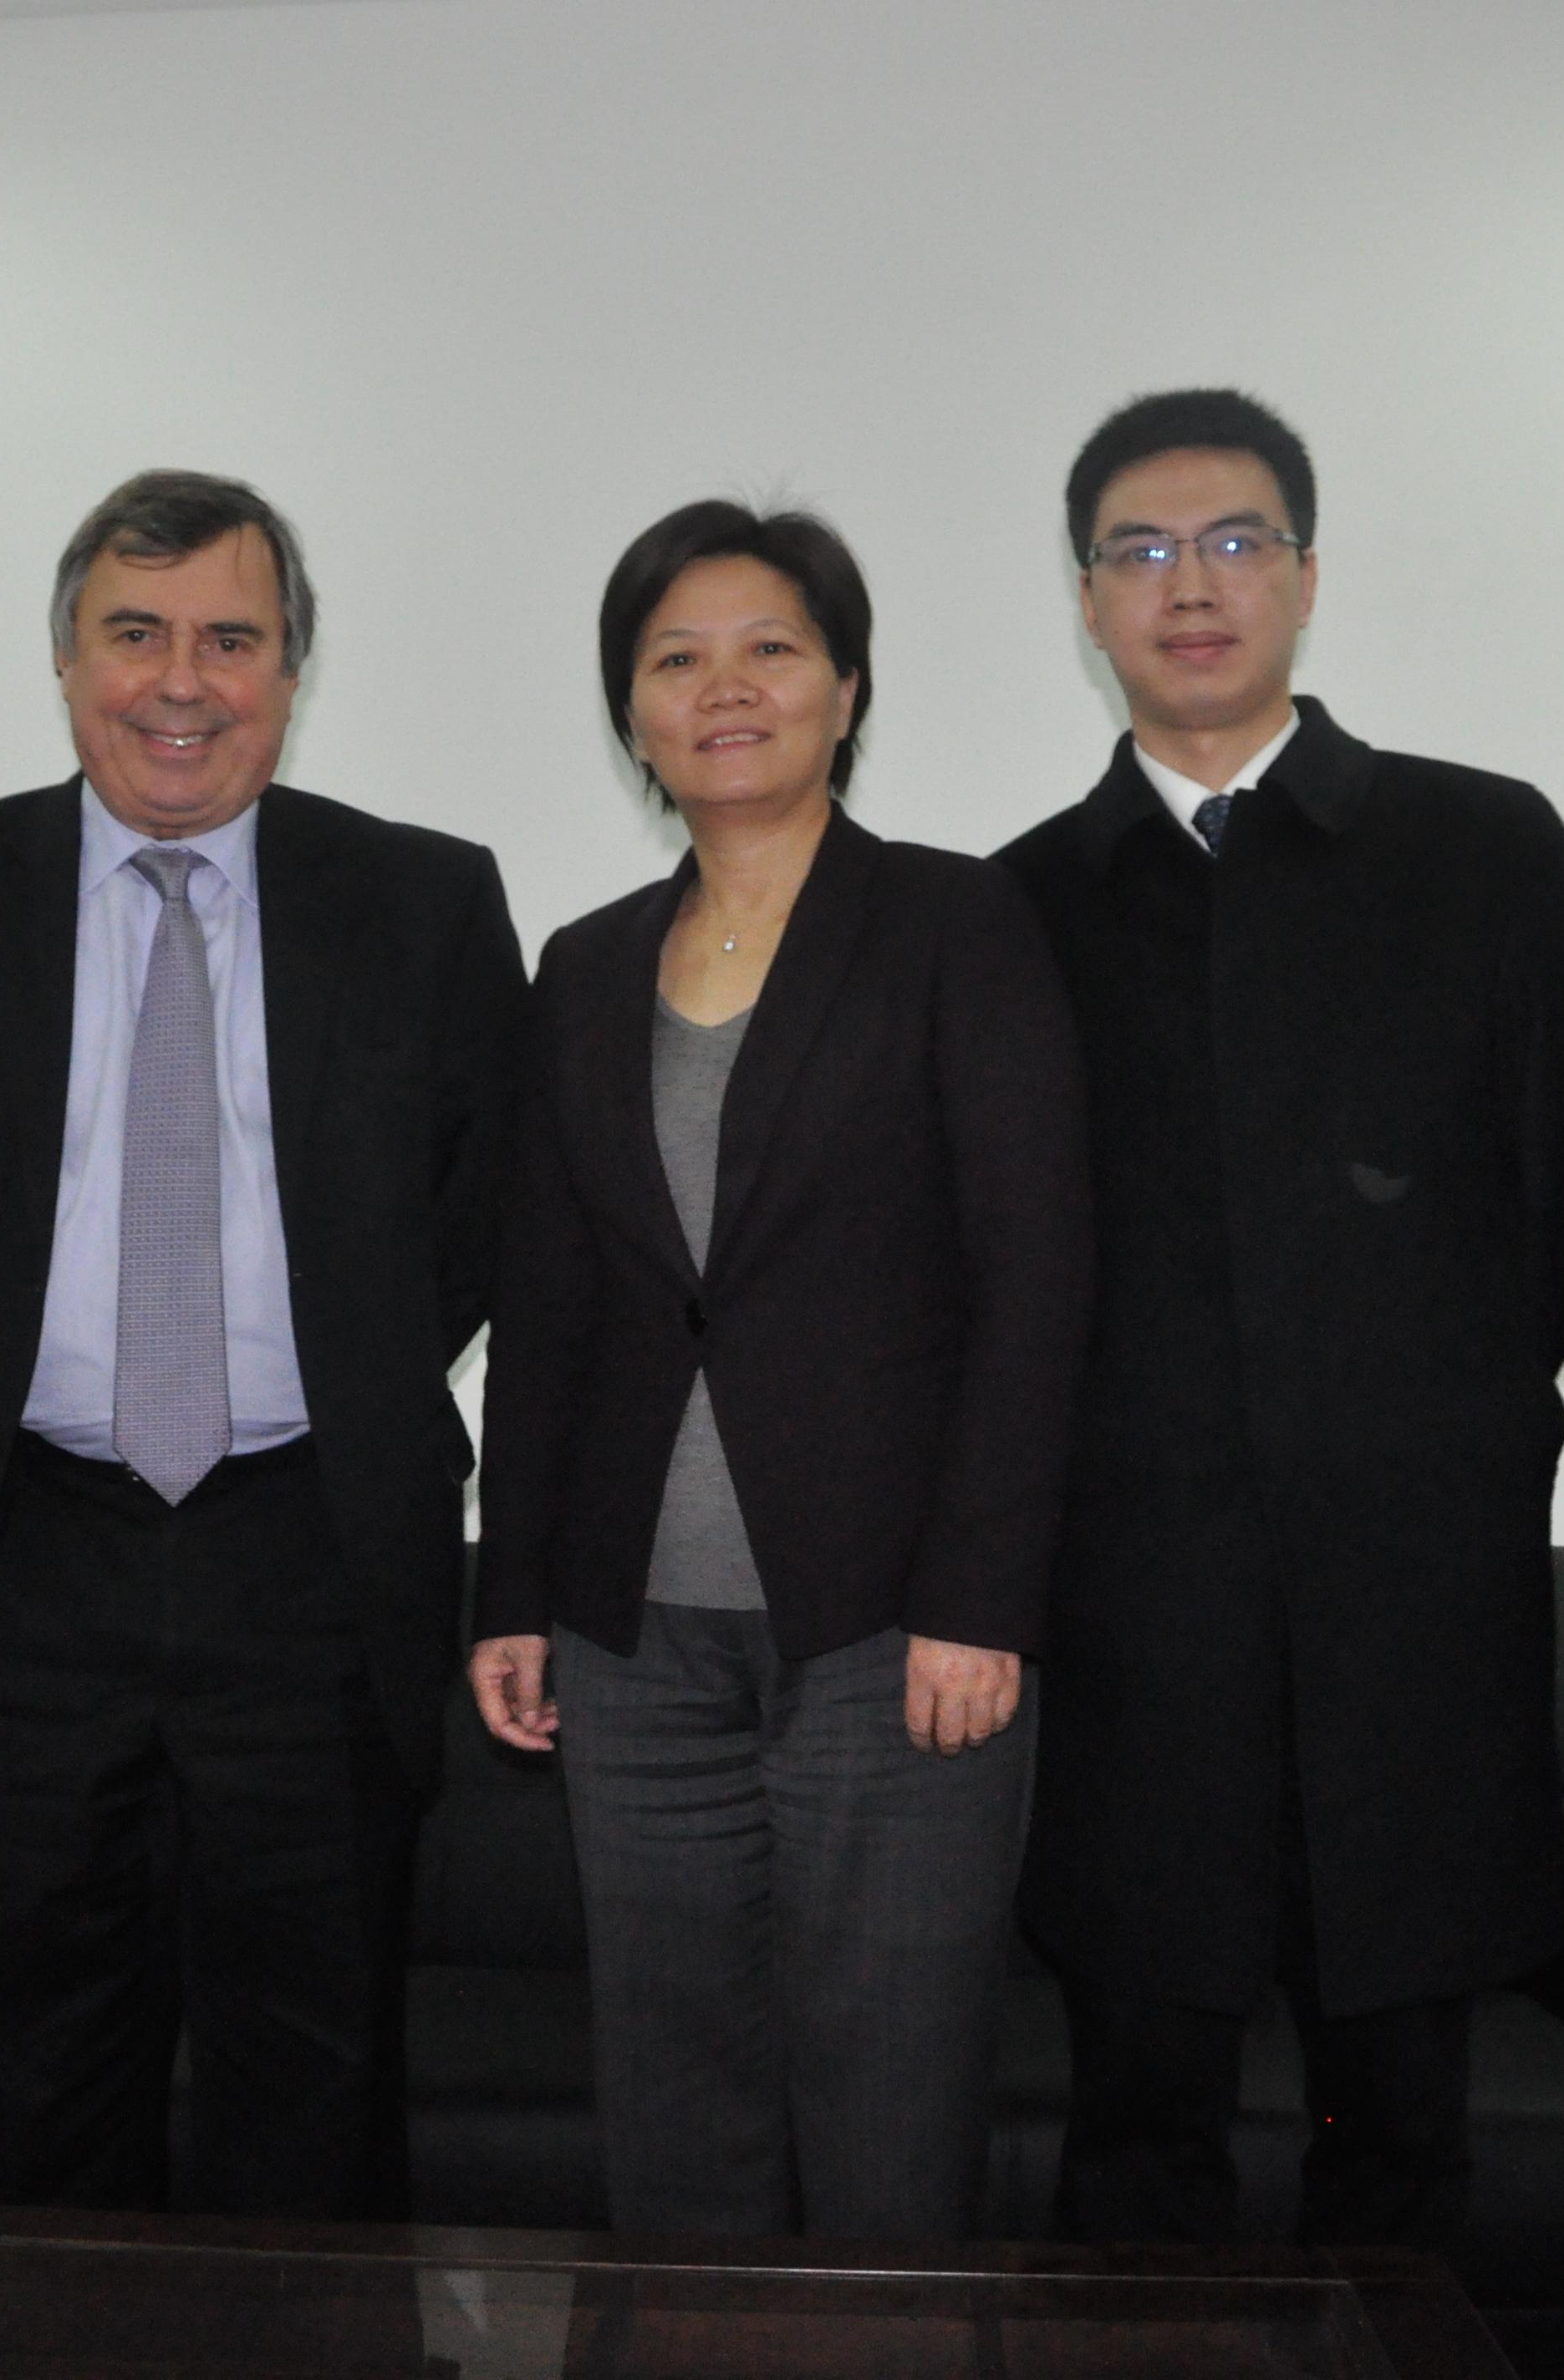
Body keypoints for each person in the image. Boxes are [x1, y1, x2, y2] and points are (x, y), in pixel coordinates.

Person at [0, 470, 527, 2219]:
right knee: (39, 2090)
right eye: (135, 634)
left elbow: (483, 1207)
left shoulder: (423, 901)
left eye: (230, 638)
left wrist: (333, 1373)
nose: (181, 682)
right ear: (66, 659)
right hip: (31, 1554)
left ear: (290, 671)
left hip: (315, 1559)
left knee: (316, 2089)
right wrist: (14, 1371)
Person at [995, 391, 1564, 2251]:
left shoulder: (1483, 851)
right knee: (1135, 2134)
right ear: (1087, 599)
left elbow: (1563, 1209)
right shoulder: (1020, 906)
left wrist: (1440, 1426)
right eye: (1142, 550)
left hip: (1415, 1606)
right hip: (1134, 1619)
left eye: (1238, 541)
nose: (1193, 585)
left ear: (1307, 580)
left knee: (1395, 2139)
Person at [469, 499, 1091, 2240]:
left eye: (770, 649)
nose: (723, 687)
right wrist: (514, 1588)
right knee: (675, 2127)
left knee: (889, 2119)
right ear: (631, 711)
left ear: (846, 688)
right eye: (675, 658)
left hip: (891, 1636)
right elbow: (549, 1301)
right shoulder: (585, 966)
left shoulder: (955, 922)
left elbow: (1036, 1281)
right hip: (629, 1644)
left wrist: (979, 1597)